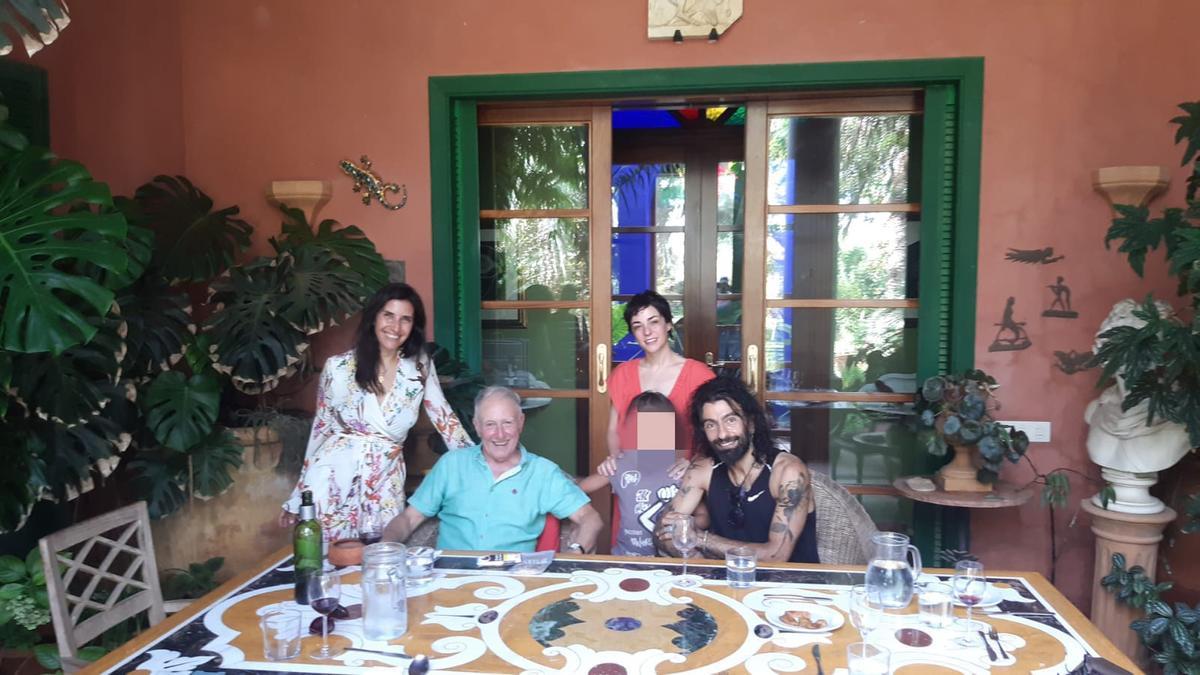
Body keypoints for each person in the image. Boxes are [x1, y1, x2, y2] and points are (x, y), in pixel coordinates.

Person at [278, 283, 474, 541]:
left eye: (405, 319)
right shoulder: (338, 367)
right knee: (329, 562)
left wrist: (479, 465)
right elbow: (321, 430)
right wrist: (298, 495)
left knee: (383, 557)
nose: (395, 327)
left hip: (385, 478)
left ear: (413, 326)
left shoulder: (419, 368)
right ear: (373, 318)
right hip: (331, 478)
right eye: (388, 315)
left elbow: (444, 418)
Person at [382, 386, 602, 553]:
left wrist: (576, 552)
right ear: (477, 426)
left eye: (507, 423)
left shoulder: (543, 473)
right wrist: (385, 551)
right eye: (490, 424)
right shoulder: (452, 465)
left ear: (521, 423)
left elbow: (590, 518)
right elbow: (409, 519)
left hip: (514, 581)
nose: (499, 434)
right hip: (449, 576)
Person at [655, 376, 819, 563]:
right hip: (726, 584)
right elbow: (662, 532)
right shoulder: (702, 470)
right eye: (711, 425)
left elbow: (776, 556)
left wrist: (699, 538)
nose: (722, 434)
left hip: (791, 586)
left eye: (730, 420)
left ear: (750, 423)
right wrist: (700, 563)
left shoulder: (788, 472)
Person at [607, 290, 715, 460]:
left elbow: (712, 431)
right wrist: (617, 460)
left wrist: (694, 464)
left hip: (685, 478)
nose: (647, 332)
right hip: (633, 476)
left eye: (654, 322)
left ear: (668, 324)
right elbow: (614, 430)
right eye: (638, 326)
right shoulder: (623, 374)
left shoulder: (699, 375)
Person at [581, 392, 682, 556]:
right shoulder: (621, 465)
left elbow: (702, 516)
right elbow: (577, 489)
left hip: (670, 563)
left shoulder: (680, 469)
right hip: (626, 559)